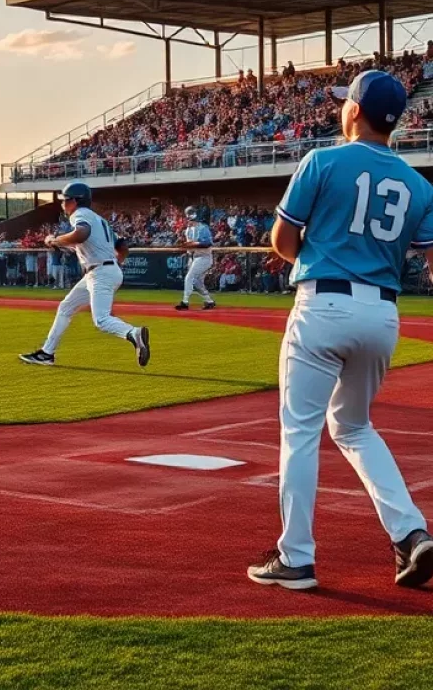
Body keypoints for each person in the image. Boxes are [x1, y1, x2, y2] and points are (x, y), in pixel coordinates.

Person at [247, 70, 433, 592]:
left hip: (323, 303)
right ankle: (411, 532)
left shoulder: (322, 160)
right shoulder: (420, 185)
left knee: (301, 432)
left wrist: (316, 250)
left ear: (354, 110)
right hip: (384, 315)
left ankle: (296, 558)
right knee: (353, 426)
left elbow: (283, 240)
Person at [19, 182, 149, 368]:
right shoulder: (98, 219)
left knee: (102, 320)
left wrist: (55, 240)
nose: (63, 204)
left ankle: (133, 333)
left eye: (65, 200)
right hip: (100, 271)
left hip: (100, 272)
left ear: (75, 200)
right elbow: (122, 247)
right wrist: (115, 263)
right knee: (65, 307)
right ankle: (47, 353)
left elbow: (81, 234)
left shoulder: (80, 214)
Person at [175, 206, 216, 310]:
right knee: (197, 282)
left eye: (189, 217)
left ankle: (185, 302)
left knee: (189, 277)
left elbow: (207, 244)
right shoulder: (188, 230)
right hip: (194, 257)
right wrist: (186, 247)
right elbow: (191, 246)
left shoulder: (203, 227)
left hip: (204, 257)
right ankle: (209, 301)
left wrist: (190, 244)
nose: (188, 220)